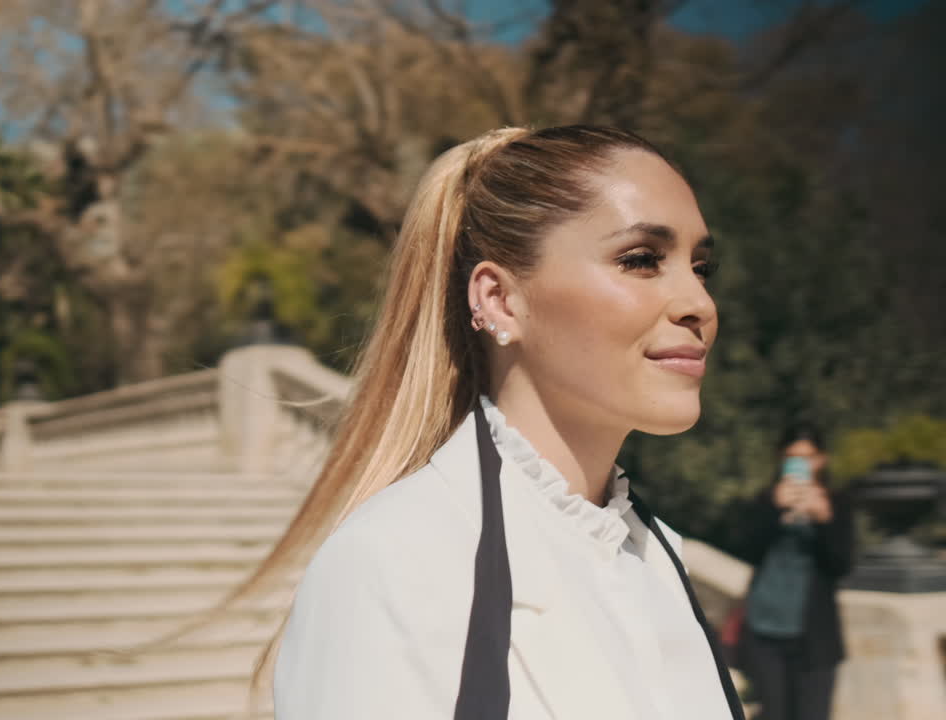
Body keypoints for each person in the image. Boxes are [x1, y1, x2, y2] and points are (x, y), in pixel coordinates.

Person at [238, 125, 743, 720]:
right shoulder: (391, 563)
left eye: (701, 267)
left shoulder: (658, 562)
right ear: (501, 300)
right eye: (640, 260)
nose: (699, 304)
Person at [740, 423, 854, 720]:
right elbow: (746, 550)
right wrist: (774, 509)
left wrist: (824, 520)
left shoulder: (836, 502)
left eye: (809, 457)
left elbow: (842, 564)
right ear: (781, 459)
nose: (801, 464)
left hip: (816, 634)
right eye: (793, 457)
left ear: (822, 459)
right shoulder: (767, 498)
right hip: (764, 628)